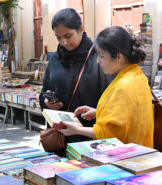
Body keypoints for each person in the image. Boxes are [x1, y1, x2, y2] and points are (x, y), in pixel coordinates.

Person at [60, 26, 154, 148]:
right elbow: (128, 115)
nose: (98, 61)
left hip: (125, 156)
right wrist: (100, 112)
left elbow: (111, 134)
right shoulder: (136, 75)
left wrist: (77, 130)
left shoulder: (124, 85)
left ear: (119, 57)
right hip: (140, 150)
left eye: (102, 56)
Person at [39, 8, 115, 155]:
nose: (64, 42)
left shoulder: (99, 58)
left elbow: (112, 101)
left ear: (81, 29)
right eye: (58, 38)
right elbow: (44, 92)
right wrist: (47, 102)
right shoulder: (55, 59)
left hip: (93, 141)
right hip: (61, 139)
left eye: (68, 36)